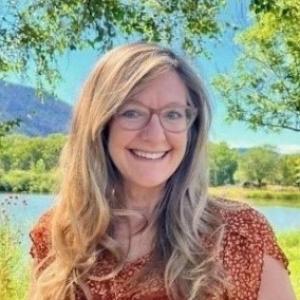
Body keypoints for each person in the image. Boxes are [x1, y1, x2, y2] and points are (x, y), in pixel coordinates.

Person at [29, 42, 296, 300]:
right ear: (100, 124)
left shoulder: (241, 235)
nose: (155, 135)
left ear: (191, 128)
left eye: (173, 114)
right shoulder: (59, 235)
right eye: (132, 112)